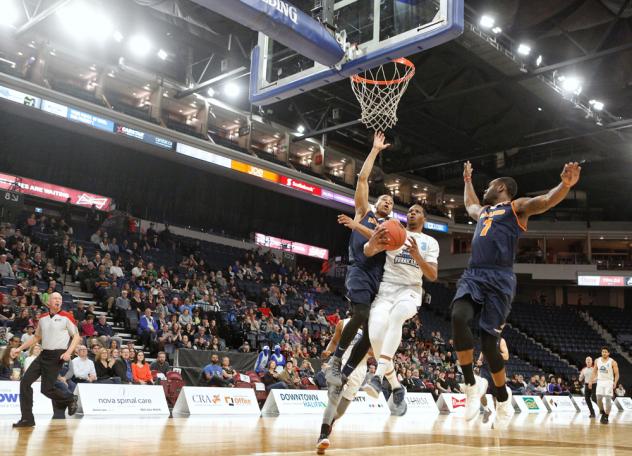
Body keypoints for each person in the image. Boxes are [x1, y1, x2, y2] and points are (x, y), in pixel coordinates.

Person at [451, 161, 581, 429]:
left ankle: (501, 397)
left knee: (489, 345)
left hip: (500, 278)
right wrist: (467, 181)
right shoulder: (484, 211)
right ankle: (470, 385)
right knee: (457, 317)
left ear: (500, 187)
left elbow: (544, 201)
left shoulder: (515, 207)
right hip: (475, 274)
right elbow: (470, 205)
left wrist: (565, 185)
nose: (484, 189)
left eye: (488, 186)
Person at [354, 204, 439, 416]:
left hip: (410, 291)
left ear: (424, 218)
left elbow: (433, 275)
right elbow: (369, 251)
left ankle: (377, 377)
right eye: (409, 210)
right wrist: (372, 244)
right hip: (387, 289)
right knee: (375, 336)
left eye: (418, 210)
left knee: (398, 316)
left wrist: (417, 255)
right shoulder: (392, 229)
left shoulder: (430, 242)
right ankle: (396, 386)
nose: (412, 212)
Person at [327, 131, 392, 387]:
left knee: (373, 333)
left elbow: (381, 239)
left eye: (391, 201)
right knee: (361, 312)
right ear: (377, 203)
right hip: (359, 271)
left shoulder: (392, 228)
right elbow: (363, 178)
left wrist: (355, 226)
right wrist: (375, 150)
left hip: (378, 279)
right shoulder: (365, 211)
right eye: (384, 199)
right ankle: (336, 360)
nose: (387, 202)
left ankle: (346, 372)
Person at [12, 292, 80, 427]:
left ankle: (70, 398)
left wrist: (68, 352)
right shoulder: (42, 318)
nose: (58, 301)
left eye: (60, 299)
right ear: (48, 302)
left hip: (58, 355)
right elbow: (37, 337)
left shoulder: (67, 317)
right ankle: (27, 419)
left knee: (46, 389)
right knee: (24, 383)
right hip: (43, 354)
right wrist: (20, 349)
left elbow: (76, 336)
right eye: (55, 298)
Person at [317, 317, 370, 453]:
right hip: (341, 364)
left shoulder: (372, 328)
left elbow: (374, 353)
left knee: (340, 411)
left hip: (359, 370)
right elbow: (335, 341)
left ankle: (330, 422)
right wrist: (328, 351)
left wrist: (367, 347)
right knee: (333, 400)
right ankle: (322, 435)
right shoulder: (344, 323)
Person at [589, 347, 620, 424]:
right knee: (598, 398)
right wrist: (590, 381)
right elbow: (594, 372)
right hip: (600, 382)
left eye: (606, 352)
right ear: (601, 352)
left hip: (609, 382)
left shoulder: (613, 362)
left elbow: (617, 374)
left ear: (608, 353)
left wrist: (615, 382)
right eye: (603, 352)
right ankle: (602, 411)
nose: (604, 353)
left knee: (608, 399)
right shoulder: (597, 360)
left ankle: (606, 416)